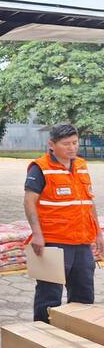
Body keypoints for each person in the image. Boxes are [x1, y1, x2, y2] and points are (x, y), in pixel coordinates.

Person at [24, 123, 104, 323]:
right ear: (52, 144)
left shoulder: (81, 166)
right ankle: (44, 336)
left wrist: (98, 232)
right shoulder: (40, 168)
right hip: (54, 242)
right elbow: (29, 201)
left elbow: (87, 201)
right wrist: (37, 234)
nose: (72, 148)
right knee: (49, 295)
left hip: (82, 242)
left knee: (84, 295)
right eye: (66, 144)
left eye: (75, 143)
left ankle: (78, 337)